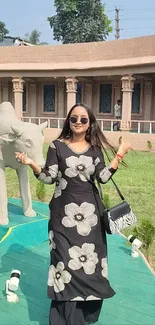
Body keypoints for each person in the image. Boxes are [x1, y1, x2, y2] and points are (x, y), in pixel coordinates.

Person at [15, 103, 130, 325]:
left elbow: (103, 177)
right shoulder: (57, 146)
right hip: (62, 217)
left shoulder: (95, 149)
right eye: (74, 118)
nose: (78, 122)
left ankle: (83, 315)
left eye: (83, 119)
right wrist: (31, 164)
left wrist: (120, 154)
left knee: (88, 265)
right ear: (68, 121)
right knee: (64, 264)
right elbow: (49, 178)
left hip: (91, 219)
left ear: (90, 124)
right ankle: (62, 319)